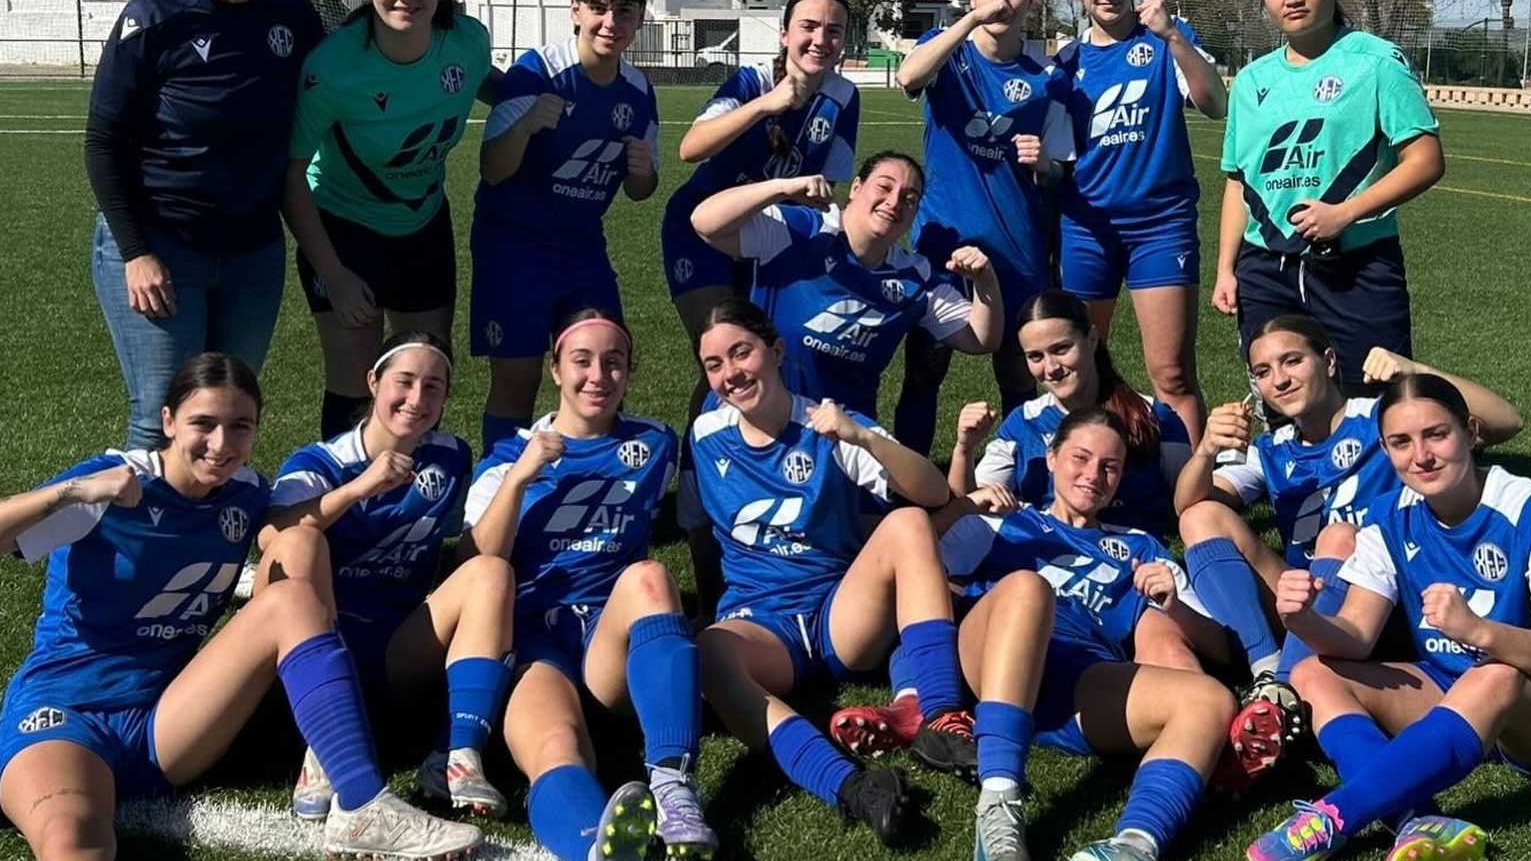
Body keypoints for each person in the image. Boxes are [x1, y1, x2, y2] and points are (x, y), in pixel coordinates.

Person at [0, 354, 482, 860]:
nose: (221, 444)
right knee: (73, 836)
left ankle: (361, 805)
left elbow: (292, 531)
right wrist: (74, 491)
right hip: (67, 710)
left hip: (168, 718)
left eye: (239, 427)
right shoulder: (116, 482)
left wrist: (362, 490)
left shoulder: (245, 495)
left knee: (292, 594)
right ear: (168, 421)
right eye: (203, 424)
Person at [856, 410, 1248, 861]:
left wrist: (1172, 603)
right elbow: (912, 565)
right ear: (1051, 457)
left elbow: (1219, 648)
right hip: (992, 659)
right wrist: (963, 507)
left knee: (1211, 700)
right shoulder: (1006, 521)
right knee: (1029, 588)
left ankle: (1135, 844)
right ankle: (999, 803)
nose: (1093, 475)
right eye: (1080, 458)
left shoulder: (1141, 546)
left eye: (1110, 466)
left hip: (1077, 679)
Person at [1248, 374, 1531, 861]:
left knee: (1495, 675)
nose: (1421, 456)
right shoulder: (1389, 515)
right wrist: (1303, 620)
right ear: (1385, 450)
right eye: (1401, 442)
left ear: (1470, 433)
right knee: (1312, 673)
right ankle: (1415, 820)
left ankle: (1334, 816)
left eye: (1436, 435)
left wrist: (1480, 631)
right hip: (1457, 694)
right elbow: (1355, 635)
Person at [691, 299, 976, 846]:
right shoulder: (706, 434)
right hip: (762, 624)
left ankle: (942, 718)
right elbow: (702, 529)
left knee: (909, 523)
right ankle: (853, 787)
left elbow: (934, 492)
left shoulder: (827, 424)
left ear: (776, 351)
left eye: (742, 352)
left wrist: (863, 437)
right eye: (714, 364)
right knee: (710, 653)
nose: (731, 374)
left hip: (838, 614)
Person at [1173, 314, 1523, 739]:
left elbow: (1507, 422)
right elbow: (1188, 504)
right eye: (1263, 372)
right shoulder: (1271, 450)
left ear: (1329, 361)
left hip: (1383, 607)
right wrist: (1206, 451)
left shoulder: (1382, 419)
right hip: (1307, 609)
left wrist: (1413, 371)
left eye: (1292, 361)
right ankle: (1266, 669)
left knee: (1341, 536)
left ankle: (1283, 694)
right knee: (1201, 517)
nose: (1279, 380)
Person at [461, 309, 714, 861]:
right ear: (555, 369)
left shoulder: (656, 443)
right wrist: (521, 476)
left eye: (613, 362)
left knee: (649, 576)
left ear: (629, 372)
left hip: (610, 640)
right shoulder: (508, 456)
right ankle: (591, 851)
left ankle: (673, 786)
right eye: (582, 361)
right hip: (534, 641)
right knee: (555, 746)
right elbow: (472, 561)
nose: (598, 376)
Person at [86, 0, 325, 450]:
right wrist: (137, 254)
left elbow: (357, 71)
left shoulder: (296, 17)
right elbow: (102, 143)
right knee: (162, 420)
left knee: (230, 413)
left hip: (253, 254)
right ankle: (142, 517)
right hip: (161, 246)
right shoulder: (154, 18)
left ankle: (215, 516)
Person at [662, 0, 858, 620]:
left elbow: (832, 186)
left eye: (833, 30)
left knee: (770, 359)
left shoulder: (844, 97)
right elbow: (690, 148)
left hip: (769, 237)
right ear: (784, 32)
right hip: (702, 230)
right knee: (723, 360)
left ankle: (776, 505)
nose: (820, 39)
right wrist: (767, 104)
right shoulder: (750, 79)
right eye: (809, 27)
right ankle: (697, 504)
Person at [263, 332, 515, 820]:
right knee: (299, 541)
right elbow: (271, 536)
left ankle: (456, 756)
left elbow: (466, 548)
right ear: (373, 382)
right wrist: (359, 489)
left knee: (490, 571)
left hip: (399, 645)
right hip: (319, 639)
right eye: (405, 381)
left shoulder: (450, 457)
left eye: (433, 387)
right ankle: (324, 747)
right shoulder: (320, 462)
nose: (417, 398)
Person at [284, 0, 493, 440]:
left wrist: (544, 100)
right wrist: (332, 273)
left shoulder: (467, 42)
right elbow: (290, 174)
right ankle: (343, 487)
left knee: (425, 370)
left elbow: (485, 80)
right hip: (344, 228)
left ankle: (421, 487)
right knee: (356, 378)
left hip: (423, 222)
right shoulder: (334, 66)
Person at [1214, 0, 1444, 390]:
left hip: (1356, 266)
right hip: (1265, 270)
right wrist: (1225, 268)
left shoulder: (1376, 62)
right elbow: (1239, 180)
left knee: (1375, 400)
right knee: (1282, 401)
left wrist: (1345, 214)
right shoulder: (1251, 80)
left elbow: (1426, 160)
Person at [892, 0, 1076, 454]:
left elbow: (1058, 174)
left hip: (1017, 248)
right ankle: (912, 485)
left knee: (1019, 373)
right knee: (925, 369)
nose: (1001, 0)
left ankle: (1022, 478)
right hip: (943, 242)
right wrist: (969, 22)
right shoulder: (946, 51)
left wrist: (1043, 163)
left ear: (1030, 0)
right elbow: (908, 76)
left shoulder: (1048, 81)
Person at [474, 0, 659, 452]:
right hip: (514, 246)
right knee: (518, 380)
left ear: (640, 17)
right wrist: (525, 124)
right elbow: (492, 169)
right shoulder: (536, 72)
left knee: (604, 368)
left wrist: (643, 172)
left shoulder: (640, 92)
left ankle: (590, 482)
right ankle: (501, 485)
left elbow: (641, 190)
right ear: (575, 9)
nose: (610, 22)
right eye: (598, 8)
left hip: (582, 249)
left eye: (624, 11)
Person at [1054, 0, 1227, 443]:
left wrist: (1172, 36)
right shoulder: (1065, 63)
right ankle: (1091, 470)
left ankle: (1190, 480)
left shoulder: (1166, 39)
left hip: (1161, 227)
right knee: (1081, 368)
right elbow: (1058, 160)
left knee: (1171, 373)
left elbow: (1215, 104)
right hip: (1087, 230)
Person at [690, 150, 1001, 418]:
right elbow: (705, 222)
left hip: (842, 435)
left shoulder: (914, 277)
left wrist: (985, 281)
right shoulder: (802, 230)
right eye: (884, 187)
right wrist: (781, 187)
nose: (894, 202)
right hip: (755, 419)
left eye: (909, 199)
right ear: (856, 187)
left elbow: (980, 339)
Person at [948, 290, 1191, 533]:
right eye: (1035, 356)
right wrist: (965, 449)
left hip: (1138, 552)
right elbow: (968, 507)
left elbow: (1189, 503)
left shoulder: (1154, 416)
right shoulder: (1024, 423)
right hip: (1052, 552)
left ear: (1092, 339)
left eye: (1061, 349)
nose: (1051, 367)